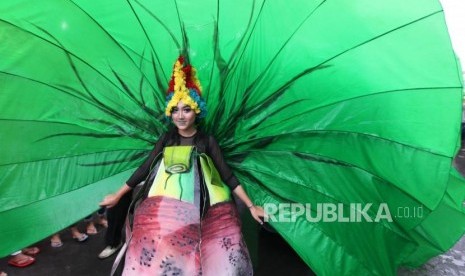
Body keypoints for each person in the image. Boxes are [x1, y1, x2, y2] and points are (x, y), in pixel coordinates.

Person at [100, 56, 264, 275]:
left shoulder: (207, 141)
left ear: (197, 111)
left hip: (208, 213)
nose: (180, 116)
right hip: (170, 215)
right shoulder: (167, 138)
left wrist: (251, 206)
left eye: (186, 109)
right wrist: (118, 195)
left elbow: (228, 176)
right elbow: (144, 169)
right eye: (175, 110)